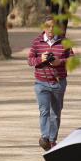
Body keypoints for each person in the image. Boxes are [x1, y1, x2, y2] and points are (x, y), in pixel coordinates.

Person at [27, 18, 73, 150]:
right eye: (48, 26)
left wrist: (60, 62)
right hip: (41, 83)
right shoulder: (37, 42)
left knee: (56, 113)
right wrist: (40, 59)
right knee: (44, 111)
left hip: (58, 83)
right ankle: (45, 138)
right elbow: (30, 61)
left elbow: (72, 59)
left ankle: (53, 140)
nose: (51, 29)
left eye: (53, 27)